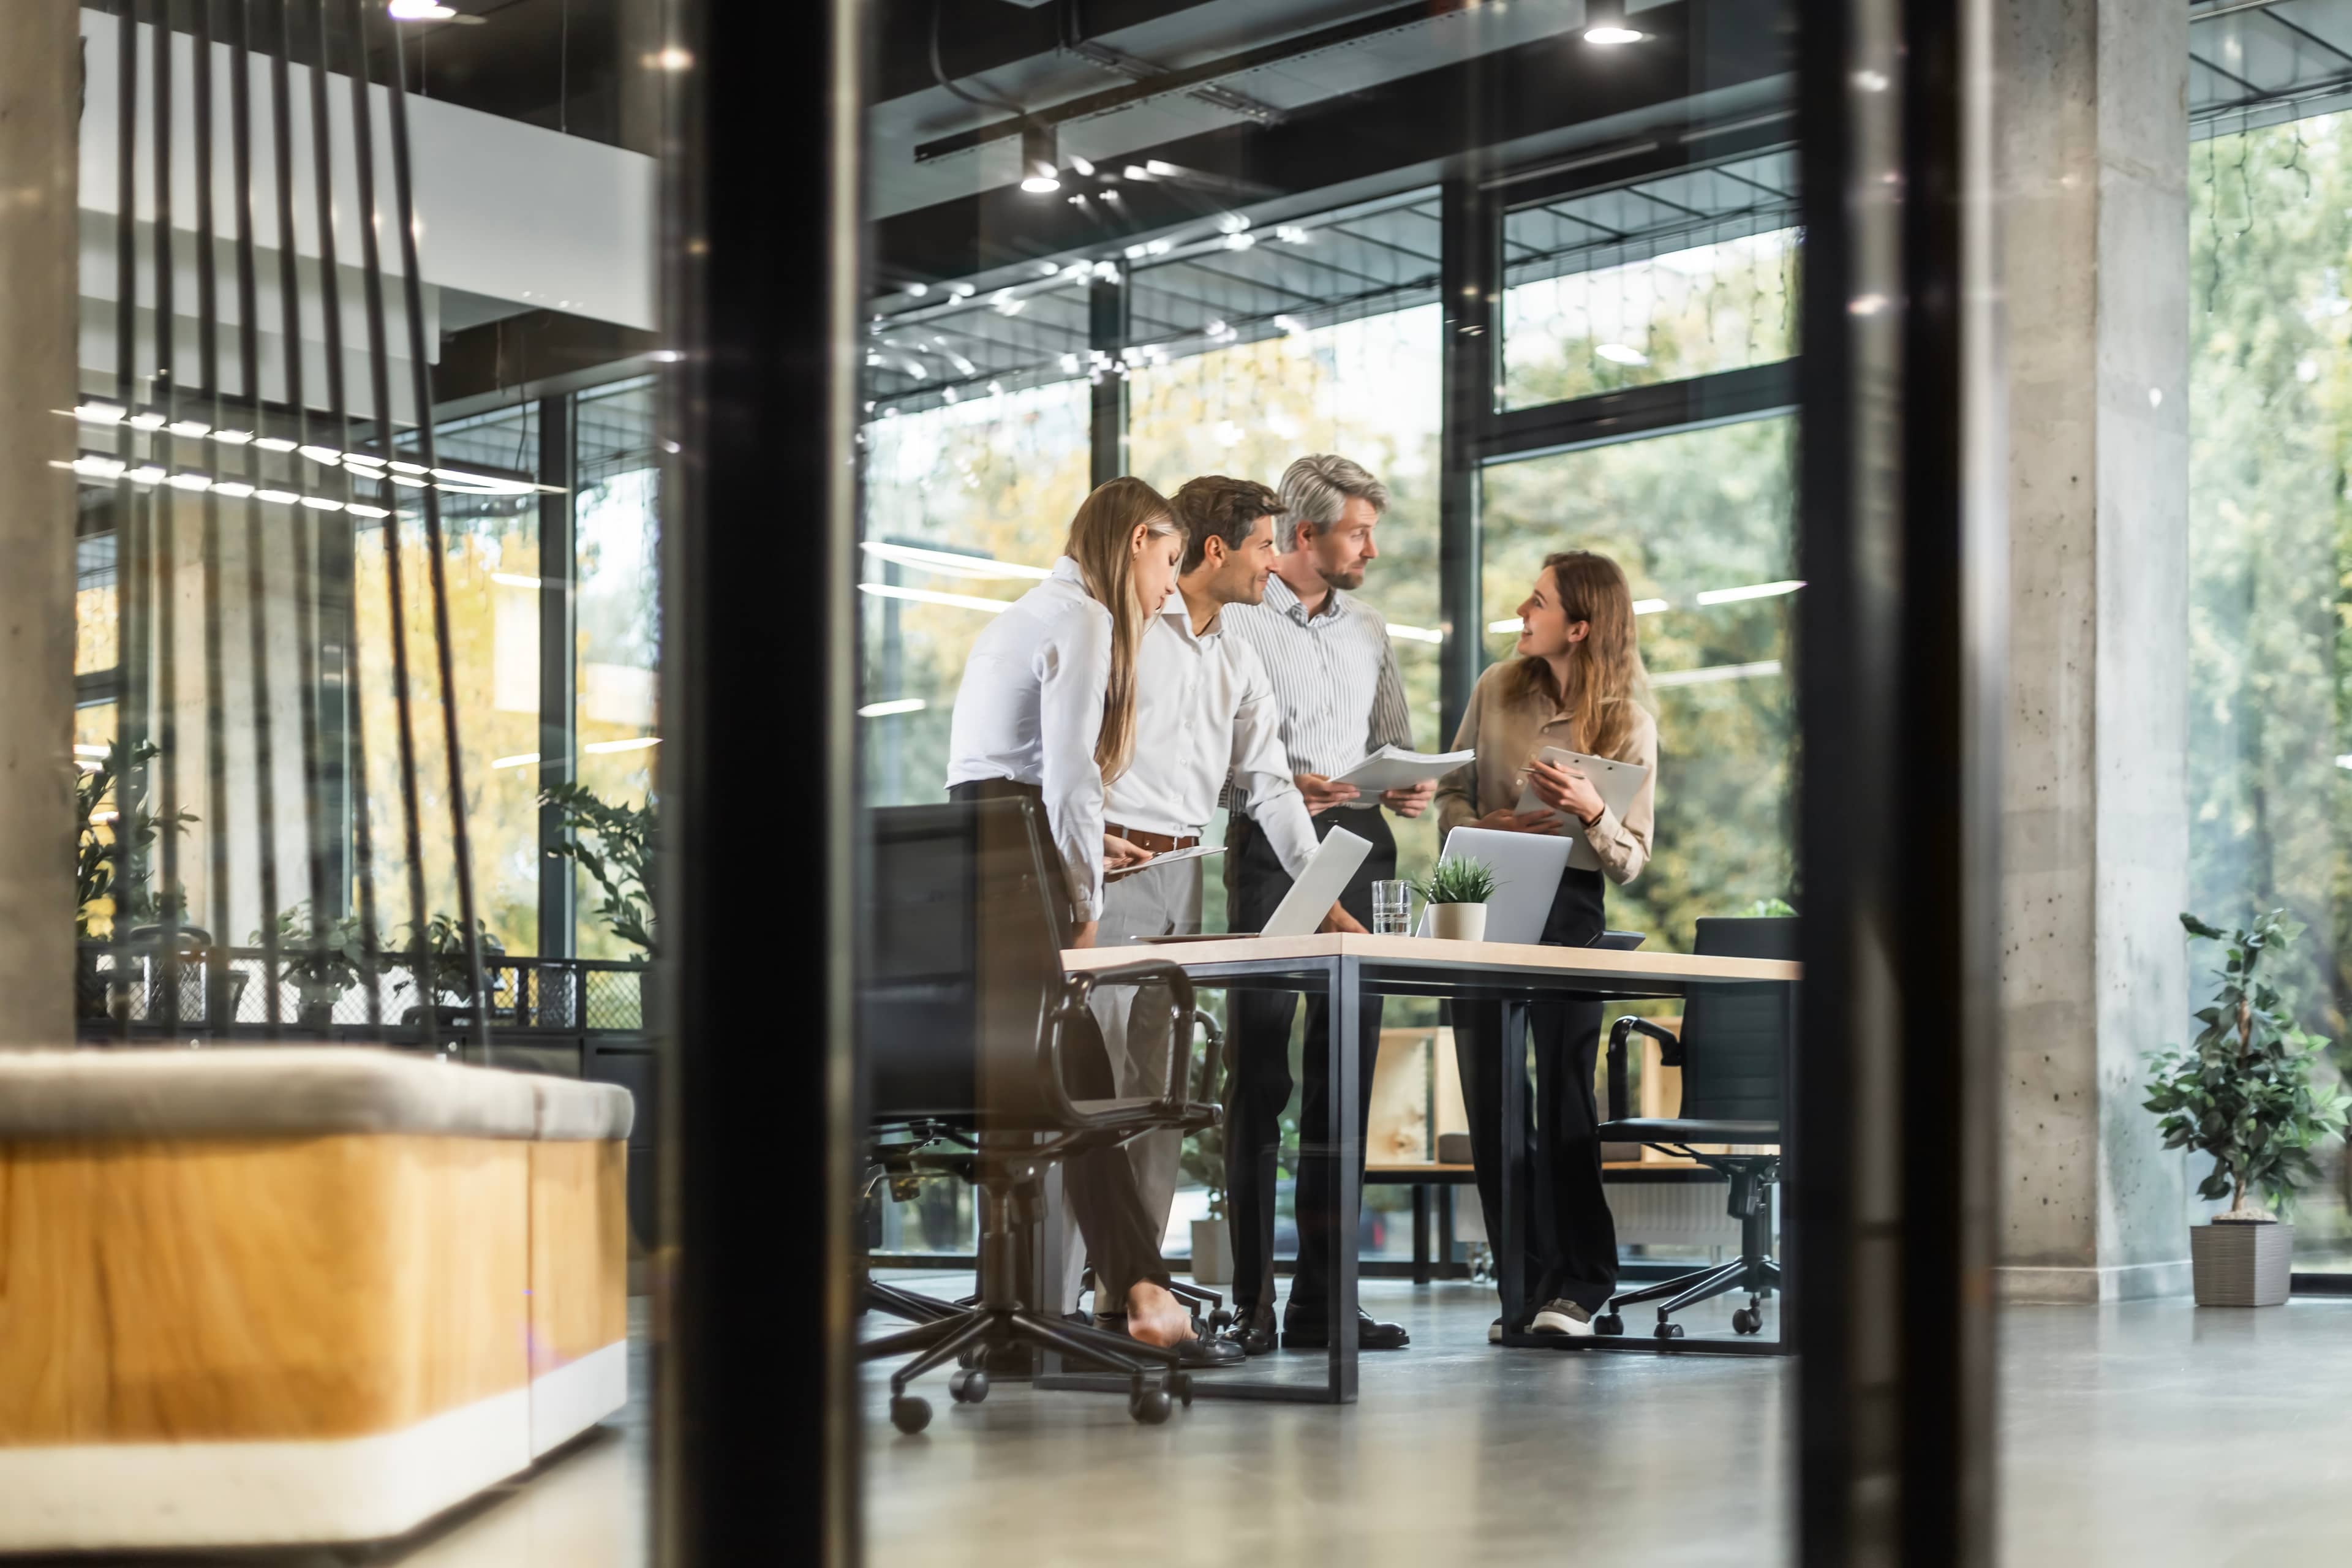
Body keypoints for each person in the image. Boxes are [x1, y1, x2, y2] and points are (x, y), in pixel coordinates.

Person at [942, 475, 1242, 1368]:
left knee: (1060, 1089)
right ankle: (1143, 1295)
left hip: (986, 870)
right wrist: (1085, 908)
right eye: (1167, 561)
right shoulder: (1087, 620)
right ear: (1140, 538)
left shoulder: (1022, 617)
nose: (1167, 586)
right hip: (1029, 885)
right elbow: (1073, 776)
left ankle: (1061, 1308)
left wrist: (1079, 849)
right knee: (1087, 1096)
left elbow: (1008, 782)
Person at [1060, 475, 1343, 1331]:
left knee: (1157, 1092)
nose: (1275, 562)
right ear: (1215, 551)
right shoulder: (1125, 629)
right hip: (1110, 865)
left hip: (1187, 873)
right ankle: (1053, 1290)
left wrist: (1319, 887)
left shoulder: (1238, 656)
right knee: (1087, 1086)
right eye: (1265, 545)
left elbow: (1269, 788)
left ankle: (1130, 1287)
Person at [1218, 453, 1434, 1355]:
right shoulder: (1235, 620)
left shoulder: (1370, 629)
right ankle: (1250, 1304)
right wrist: (1266, 788)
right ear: (1304, 536)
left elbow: (1395, 743)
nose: (1370, 549)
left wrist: (1407, 785)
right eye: (1356, 531)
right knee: (1261, 1081)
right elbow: (1213, 753)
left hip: (1360, 852)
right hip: (1270, 856)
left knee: (1340, 1089)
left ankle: (1324, 1303)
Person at [1433, 549, 1657, 1341]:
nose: (1523, 615)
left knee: (1566, 1100)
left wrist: (1596, 811)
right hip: (1483, 894)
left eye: (1538, 603)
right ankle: (1521, 1292)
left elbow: (1632, 860)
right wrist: (1482, 822)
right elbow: (1451, 794)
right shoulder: (1497, 688)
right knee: (1495, 1103)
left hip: (1571, 909)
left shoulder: (1627, 722)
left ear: (1581, 625)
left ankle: (1581, 1283)